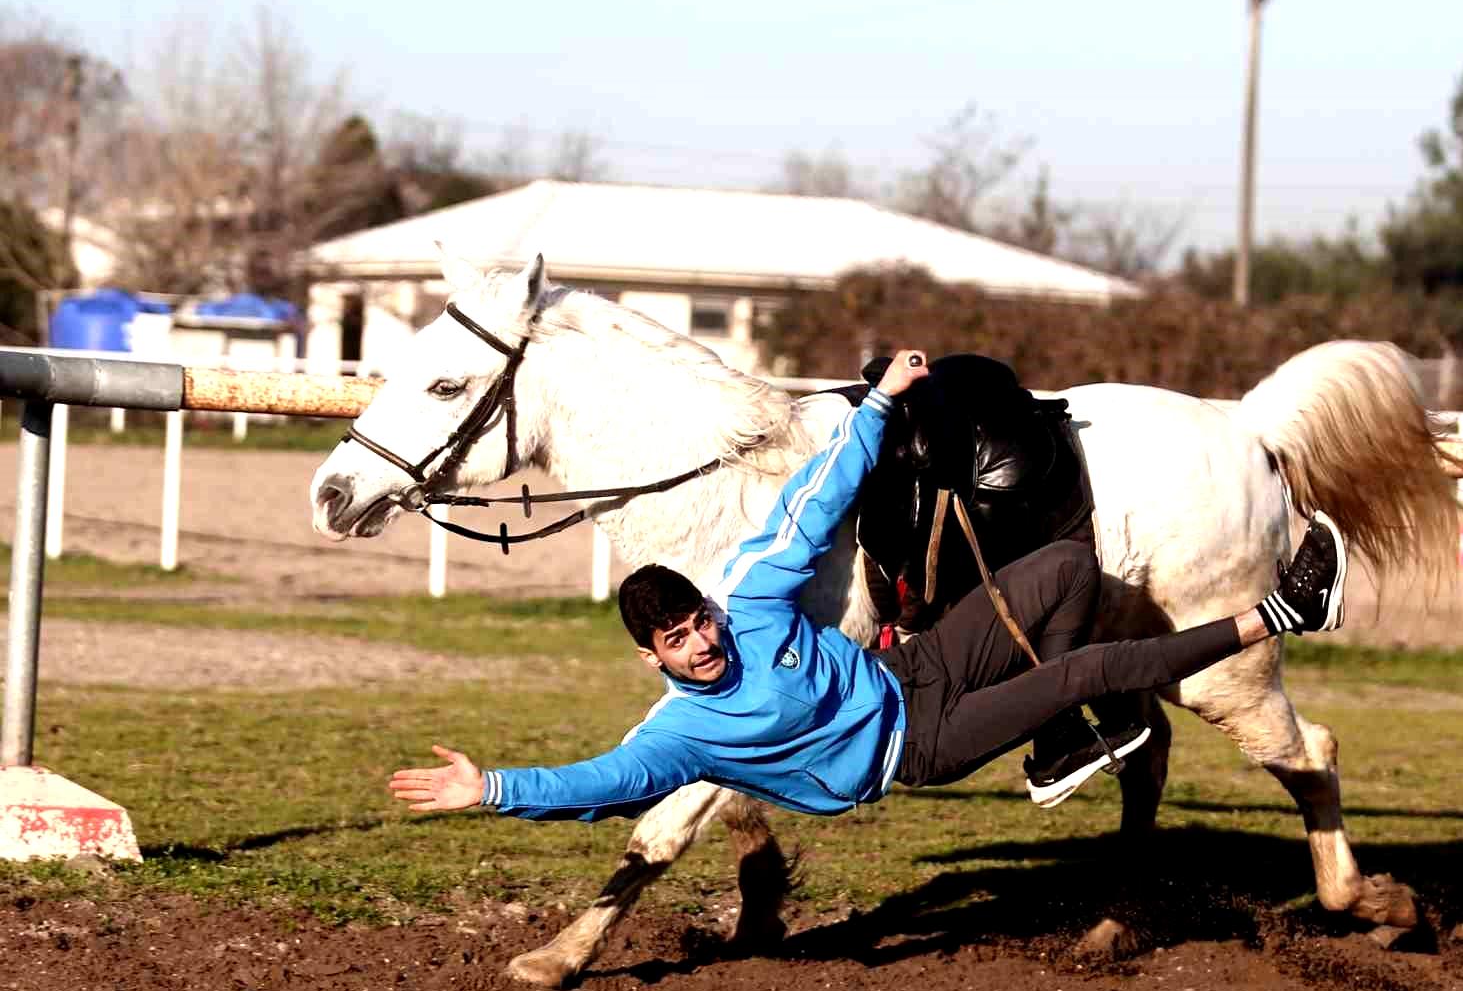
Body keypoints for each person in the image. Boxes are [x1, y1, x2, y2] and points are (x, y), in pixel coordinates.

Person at [389, 350, 1348, 821]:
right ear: (655, 660)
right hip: (912, 744)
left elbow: (817, 502)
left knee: (1064, 568)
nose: (704, 642)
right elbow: (607, 783)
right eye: (680, 643)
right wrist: (493, 790)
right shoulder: (682, 733)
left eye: (699, 622)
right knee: (1086, 673)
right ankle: (1276, 612)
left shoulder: (752, 598)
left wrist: (883, 401)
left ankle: (1059, 746)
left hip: (916, 668)